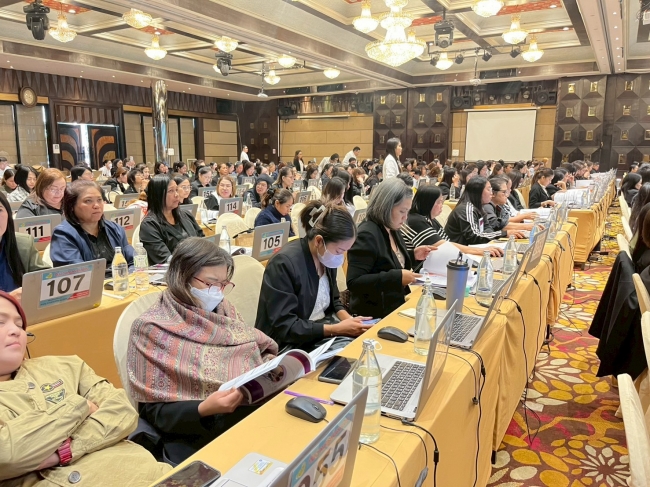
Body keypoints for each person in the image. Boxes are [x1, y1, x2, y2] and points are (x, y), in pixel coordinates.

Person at [128, 239, 276, 464]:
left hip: (247, 412)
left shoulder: (224, 310)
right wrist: (203, 408)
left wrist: (269, 366)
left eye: (223, 284)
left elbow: (250, 350)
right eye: (210, 284)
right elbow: (153, 411)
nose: (217, 292)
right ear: (182, 277)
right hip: (194, 431)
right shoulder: (152, 328)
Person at [0, 291, 171, 485]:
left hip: (153, 475)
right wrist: (82, 406)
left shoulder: (66, 365)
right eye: (0, 322)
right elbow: (6, 455)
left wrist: (63, 451)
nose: (15, 331)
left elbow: (123, 411)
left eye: (20, 324)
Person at [256, 202, 370, 351]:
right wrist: (336, 329)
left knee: (365, 344)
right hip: (287, 342)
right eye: (339, 251)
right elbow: (285, 325)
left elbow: (334, 300)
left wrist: (352, 322)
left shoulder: (326, 258)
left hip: (320, 331)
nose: (341, 257)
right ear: (319, 241)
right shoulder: (284, 264)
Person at [346, 178, 436, 318]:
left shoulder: (391, 227)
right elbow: (354, 282)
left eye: (407, 212)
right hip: (375, 312)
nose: (405, 217)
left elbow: (386, 261)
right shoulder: (367, 234)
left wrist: (412, 255)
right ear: (386, 207)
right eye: (402, 211)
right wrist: (397, 278)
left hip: (396, 303)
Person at [400, 186, 503, 268]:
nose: (442, 204)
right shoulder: (415, 221)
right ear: (428, 203)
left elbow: (446, 243)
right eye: (439, 202)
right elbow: (443, 246)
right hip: (422, 271)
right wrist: (481, 250)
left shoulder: (430, 220)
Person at [51, 181, 135, 277]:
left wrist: (130, 276)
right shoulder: (63, 234)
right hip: (92, 284)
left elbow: (133, 260)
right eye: (88, 201)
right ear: (71, 206)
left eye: (99, 200)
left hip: (121, 281)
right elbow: (77, 274)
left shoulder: (115, 229)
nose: (96, 205)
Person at [139, 175, 204, 265]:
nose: (176, 194)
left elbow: (203, 240)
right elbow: (165, 260)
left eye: (176, 190)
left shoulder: (186, 215)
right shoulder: (149, 225)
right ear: (158, 195)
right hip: (175, 270)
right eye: (171, 191)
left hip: (199, 264)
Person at [445, 177, 523, 245]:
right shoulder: (466, 209)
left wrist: (496, 235)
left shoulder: (480, 207)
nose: (491, 193)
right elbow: (474, 236)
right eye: (489, 189)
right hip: (461, 253)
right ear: (478, 191)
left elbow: (488, 228)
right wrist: (504, 233)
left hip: (476, 248)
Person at [0, 192, 48, 297]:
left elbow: (45, 279)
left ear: (8, 213)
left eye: (0, 210)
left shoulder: (23, 244)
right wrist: (8, 299)